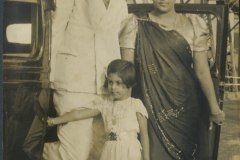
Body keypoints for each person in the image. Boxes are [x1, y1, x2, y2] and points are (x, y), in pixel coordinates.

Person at [119, 0, 225, 159]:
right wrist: (124, 108)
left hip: (188, 107)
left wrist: (214, 108)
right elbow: (127, 71)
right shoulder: (135, 24)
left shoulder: (194, 24)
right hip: (152, 105)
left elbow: (202, 71)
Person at [43, 0, 129, 160]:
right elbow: (56, 28)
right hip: (74, 80)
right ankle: (40, 153)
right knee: (75, 153)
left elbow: (117, 36)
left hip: (107, 83)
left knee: (100, 150)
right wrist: (49, 75)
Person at [47, 59, 150, 160]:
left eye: (118, 83)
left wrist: (146, 158)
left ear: (129, 84)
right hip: (109, 152)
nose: (113, 87)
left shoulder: (136, 104)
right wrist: (54, 121)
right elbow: (78, 114)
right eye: (110, 82)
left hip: (130, 152)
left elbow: (144, 135)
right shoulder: (105, 105)